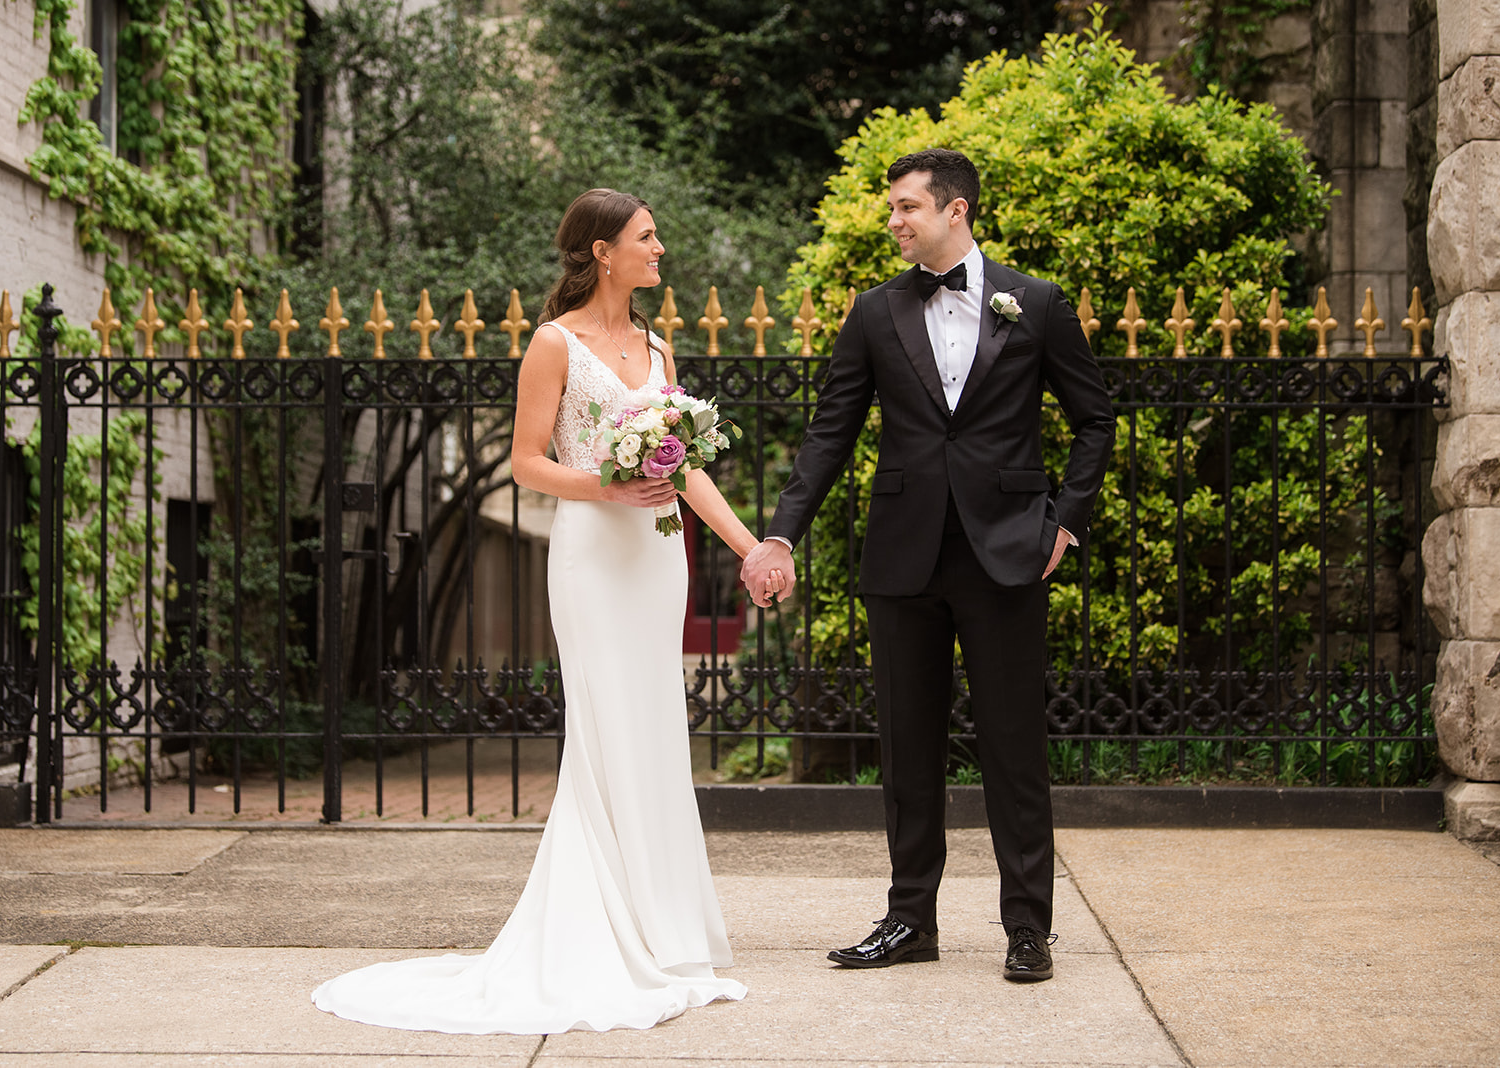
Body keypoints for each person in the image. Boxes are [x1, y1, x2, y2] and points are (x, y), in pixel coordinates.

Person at [313, 188, 779, 1033]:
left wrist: (751, 549)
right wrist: (607, 481)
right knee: (603, 733)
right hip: (594, 560)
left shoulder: (659, 348)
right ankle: (599, 935)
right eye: (646, 237)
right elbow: (529, 464)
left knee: (655, 727)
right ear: (603, 251)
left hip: (656, 558)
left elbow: (686, 471)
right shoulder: (551, 344)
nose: (660, 248)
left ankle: (664, 932)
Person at [742, 148, 1114, 982]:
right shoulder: (874, 313)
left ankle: (1028, 928)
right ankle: (911, 919)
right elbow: (830, 432)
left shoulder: (1038, 303)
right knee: (908, 748)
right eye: (892, 210)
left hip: (1007, 552)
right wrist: (781, 534)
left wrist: (1066, 522)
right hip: (904, 555)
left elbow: (1095, 420)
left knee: (1014, 749)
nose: (895, 221)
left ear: (956, 211)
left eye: (908, 207)